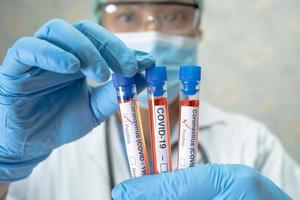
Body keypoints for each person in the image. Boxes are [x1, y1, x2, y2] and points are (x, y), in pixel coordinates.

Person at [0, 0, 299, 199]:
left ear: (198, 31)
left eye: (173, 15)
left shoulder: (253, 143)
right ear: (101, 26)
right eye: (127, 15)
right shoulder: (45, 143)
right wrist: (4, 164)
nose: (153, 30)